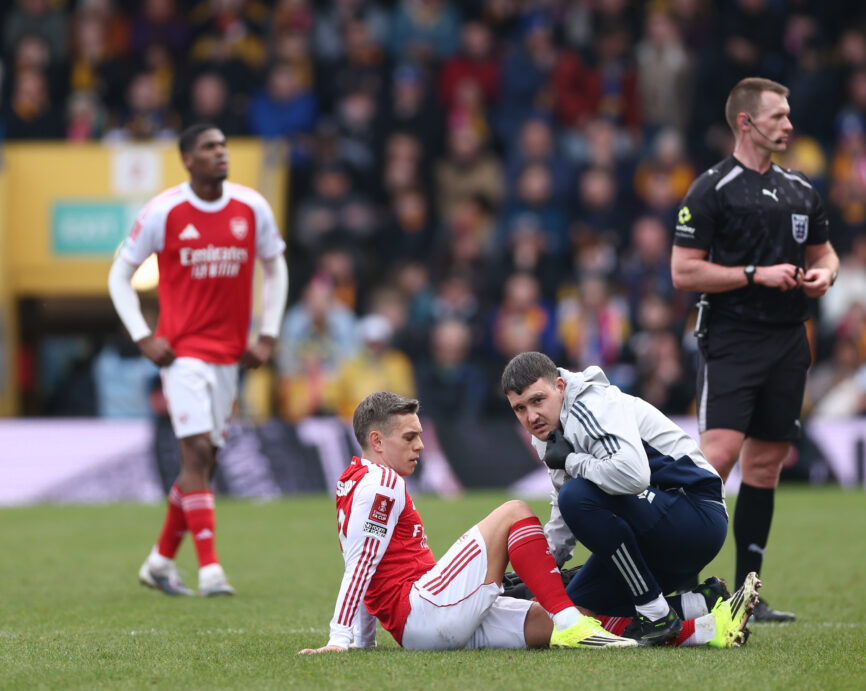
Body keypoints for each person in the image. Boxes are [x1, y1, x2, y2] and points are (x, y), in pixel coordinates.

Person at [670, 77, 840, 622]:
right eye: (778, 117)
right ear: (746, 122)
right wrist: (753, 274)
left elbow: (828, 254)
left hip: (789, 341)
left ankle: (748, 592)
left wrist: (823, 276)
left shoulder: (800, 191)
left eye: (788, 116)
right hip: (733, 340)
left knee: (765, 466)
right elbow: (683, 271)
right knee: (714, 460)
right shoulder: (712, 189)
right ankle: (679, 582)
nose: (789, 125)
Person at [298, 392, 637, 653]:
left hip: (425, 623)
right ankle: (568, 621)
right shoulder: (383, 484)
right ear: (376, 441)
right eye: (409, 437)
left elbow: (368, 566)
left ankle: (687, 625)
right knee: (514, 512)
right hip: (424, 611)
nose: (421, 444)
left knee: (553, 618)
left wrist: (365, 640)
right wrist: (340, 638)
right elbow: (361, 565)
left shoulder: (354, 480)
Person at [108, 123, 289, 597]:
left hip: (229, 359)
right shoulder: (164, 211)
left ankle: (159, 562)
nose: (220, 152)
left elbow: (276, 266)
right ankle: (211, 571)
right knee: (197, 454)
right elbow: (118, 275)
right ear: (188, 158)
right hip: (182, 355)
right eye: (209, 147)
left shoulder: (251, 207)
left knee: (203, 466)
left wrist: (267, 334)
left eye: (223, 145)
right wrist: (144, 336)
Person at [501, 351, 760, 648]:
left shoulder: (590, 405)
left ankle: (655, 612)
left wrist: (573, 461)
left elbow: (633, 476)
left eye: (537, 400)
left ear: (560, 386)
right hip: (654, 528)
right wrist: (546, 570)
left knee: (579, 495)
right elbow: (563, 502)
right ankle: (702, 605)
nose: (531, 416)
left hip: (696, 518)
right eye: (519, 408)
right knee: (573, 610)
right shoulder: (547, 428)